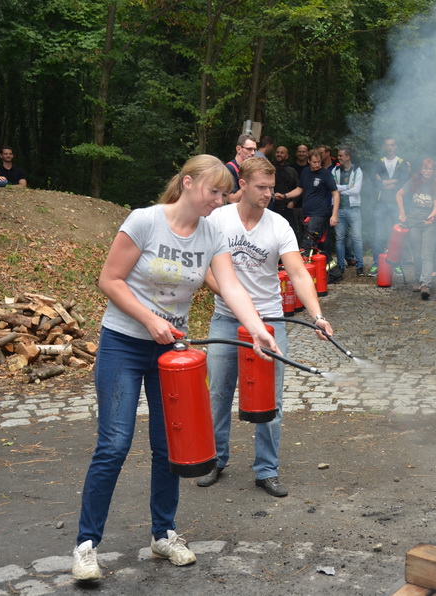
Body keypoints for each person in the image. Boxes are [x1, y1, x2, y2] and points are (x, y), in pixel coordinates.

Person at [71, 154, 279, 582]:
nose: (219, 200)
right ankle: (86, 545)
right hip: (124, 344)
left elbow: (232, 288)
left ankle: (163, 534)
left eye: (224, 193)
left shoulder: (211, 235)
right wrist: (149, 320)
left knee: (169, 447)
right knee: (114, 444)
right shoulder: (145, 221)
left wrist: (256, 328)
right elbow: (109, 280)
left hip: (172, 354)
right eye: (213, 191)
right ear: (187, 183)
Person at [196, 157, 334, 498]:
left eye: (272, 188)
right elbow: (205, 269)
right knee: (218, 394)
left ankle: (266, 470)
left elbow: (299, 274)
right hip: (227, 320)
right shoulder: (218, 219)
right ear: (242, 184)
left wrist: (316, 315)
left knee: (269, 401)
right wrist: (235, 301)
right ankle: (215, 459)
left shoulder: (278, 226)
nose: (269, 194)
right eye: (262, 187)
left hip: (270, 323)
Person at [396, 157, 436, 300]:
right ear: (421, 170)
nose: (428, 171)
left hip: (429, 224)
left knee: (426, 254)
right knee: (416, 254)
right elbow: (399, 194)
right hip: (414, 222)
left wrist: (429, 217)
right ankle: (417, 279)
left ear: (433, 171)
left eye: (430, 169)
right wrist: (402, 213)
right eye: (425, 168)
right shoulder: (414, 182)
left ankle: (425, 284)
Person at [369, 138, 411, 275]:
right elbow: (375, 183)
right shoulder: (378, 162)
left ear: (396, 146)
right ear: (384, 147)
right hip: (381, 203)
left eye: (392, 145)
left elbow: (403, 183)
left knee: (396, 236)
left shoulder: (402, 162)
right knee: (379, 235)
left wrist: (385, 182)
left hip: (396, 204)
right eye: (387, 145)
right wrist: (393, 182)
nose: (390, 147)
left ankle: (396, 264)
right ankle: (376, 264)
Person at [290, 149, 339, 258]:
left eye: (319, 162)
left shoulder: (326, 174)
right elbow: (299, 189)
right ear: (309, 161)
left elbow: (335, 194)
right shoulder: (306, 172)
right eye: (314, 162)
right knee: (321, 244)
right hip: (307, 212)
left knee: (307, 243)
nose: (317, 164)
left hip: (320, 213)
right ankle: (329, 272)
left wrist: (334, 215)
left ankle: (303, 270)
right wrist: (284, 196)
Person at [332, 147, 364, 278]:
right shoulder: (335, 170)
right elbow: (332, 188)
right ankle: (340, 266)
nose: (338, 157)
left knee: (356, 237)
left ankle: (360, 266)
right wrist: (346, 187)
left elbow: (356, 190)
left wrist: (340, 190)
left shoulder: (357, 170)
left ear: (348, 157)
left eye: (340, 156)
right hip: (338, 208)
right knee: (339, 238)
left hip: (354, 208)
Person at [272, 145, 300, 239]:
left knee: (291, 232)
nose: (279, 154)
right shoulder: (269, 168)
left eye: (282, 153)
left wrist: (293, 201)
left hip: (287, 207)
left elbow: (298, 188)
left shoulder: (292, 171)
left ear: (287, 156)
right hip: (272, 206)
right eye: (277, 152)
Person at [225, 134, 258, 204]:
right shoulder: (229, 168)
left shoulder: (252, 169)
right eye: (249, 149)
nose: (253, 153)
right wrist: (249, 181)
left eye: (254, 150)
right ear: (238, 149)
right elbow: (232, 199)